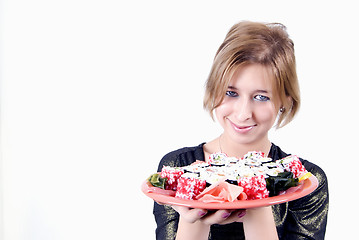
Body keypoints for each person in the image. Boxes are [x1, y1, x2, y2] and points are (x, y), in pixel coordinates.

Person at [153, 21, 329, 240]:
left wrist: (256, 200)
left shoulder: (304, 181)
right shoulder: (178, 167)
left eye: (261, 97)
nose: (243, 113)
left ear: (285, 100)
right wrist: (193, 216)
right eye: (231, 93)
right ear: (213, 88)